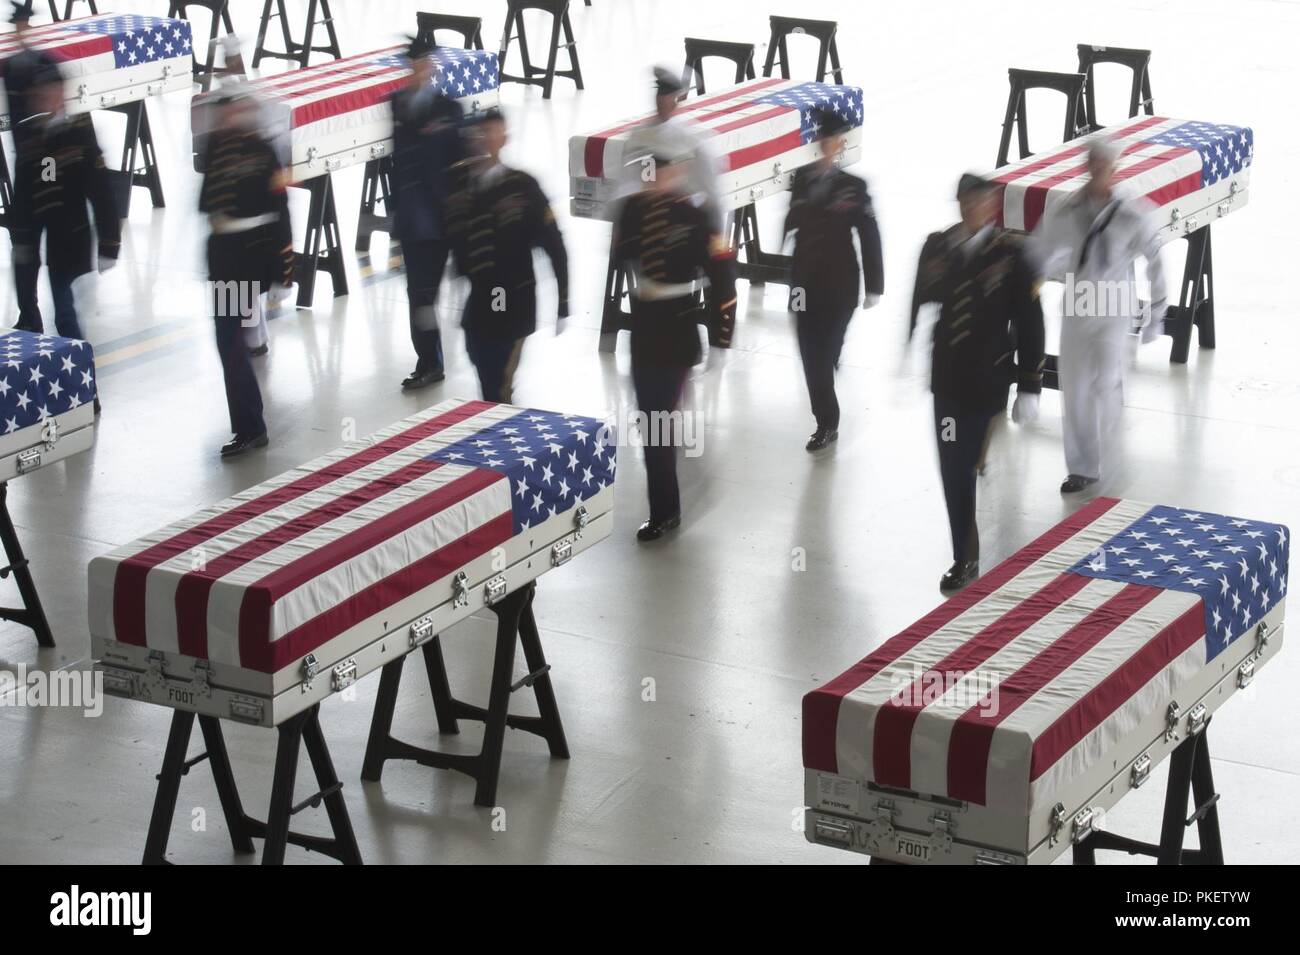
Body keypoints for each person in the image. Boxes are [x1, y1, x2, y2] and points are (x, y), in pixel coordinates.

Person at [911, 174, 1046, 593]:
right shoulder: (938, 245)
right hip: (948, 380)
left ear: (992, 207)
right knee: (954, 468)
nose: (974, 210)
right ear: (958, 204)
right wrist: (906, 344)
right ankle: (964, 557)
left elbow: (1030, 321)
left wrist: (1029, 384)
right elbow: (920, 297)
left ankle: (987, 442)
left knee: (971, 455)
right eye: (967, 202)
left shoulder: (1012, 254)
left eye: (982, 203)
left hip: (990, 379)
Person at [1027, 136, 1167, 493]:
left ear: (1114, 170)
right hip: (1078, 306)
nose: (1098, 172)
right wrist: (1033, 278)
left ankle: (1112, 460)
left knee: (1106, 382)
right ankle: (1082, 468)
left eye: (1105, 166)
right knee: (1074, 387)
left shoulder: (1132, 213)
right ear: (1086, 167)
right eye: (1093, 165)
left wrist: (1157, 313)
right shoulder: (1069, 210)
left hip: (1113, 308)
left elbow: (1154, 259)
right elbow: (1040, 248)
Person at [613, 152, 736, 542]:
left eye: (663, 172)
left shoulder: (696, 217)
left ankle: (664, 512)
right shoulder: (631, 211)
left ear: (677, 172)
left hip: (677, 334)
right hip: (644, 331)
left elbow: (723, 279)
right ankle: (665, 497)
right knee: (650, 421)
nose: (655, 180)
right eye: (650, 173)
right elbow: (621, 257)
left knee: (658, 423)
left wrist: (721, 337)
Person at [446, 109, 568, 403]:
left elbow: (554, 244)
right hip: (478, 301)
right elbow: (451, 239)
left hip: (510, 300)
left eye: (492, 132)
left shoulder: (523, 186)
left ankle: (500, 433)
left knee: (499, 383)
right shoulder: (461, 185)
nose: (485, 139)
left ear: (504, 139)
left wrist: (564, 299)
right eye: (480, 133)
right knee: (482, 365)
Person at [198, 91, 292, 458]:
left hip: (246, 256)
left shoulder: (263, 152)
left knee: (230, 341)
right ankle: (248, 423)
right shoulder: (216, 148)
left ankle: (251, 427)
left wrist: (284, 272)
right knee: (229, 342)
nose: (227, 120)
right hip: (224, 258)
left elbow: (280, 212)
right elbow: (206, 202)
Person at [783, 106, 883, 452]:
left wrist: (874, 285)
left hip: (840, 286)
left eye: (835, 139)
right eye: (824, 138)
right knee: (812, 356)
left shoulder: (854, 187)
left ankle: (827, 403)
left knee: (826, 352)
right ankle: (827, 422)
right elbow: (792, 222)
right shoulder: (803, 179)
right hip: (805, 285)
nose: (829, 144)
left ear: (841, 144)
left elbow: (869, 234)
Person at [9, 62, 120, 341]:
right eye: (39, 95)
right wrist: (22, 236)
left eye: (48, 93)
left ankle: (83, 372)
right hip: (48, 237)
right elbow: (32, 190)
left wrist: (110, 242)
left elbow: (101, 191)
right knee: (62, 315)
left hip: (75, 237)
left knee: (67, 314)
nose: (43, 100)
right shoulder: (34, 135)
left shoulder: (79, 134)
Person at [388, 36, 464, 391]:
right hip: (413, 219)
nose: (420, 70)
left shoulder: (448, 110)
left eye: (425, 63)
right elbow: (396, 163)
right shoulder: (397, 105)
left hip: (443, 218)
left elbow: (459, 166)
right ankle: (429, 362)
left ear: (431, 65)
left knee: (430, 293)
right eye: (415, 64)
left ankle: (433, 359)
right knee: (420, 294)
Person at [622, 67, 721, 227]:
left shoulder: (693, 140)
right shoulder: (637, 136)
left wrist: (715, 233)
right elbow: (626, 182)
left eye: (667, 97)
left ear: (677, 101)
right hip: (646, 218)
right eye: (660, 96)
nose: (661, 101)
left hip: (682, 221)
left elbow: (711, 194)